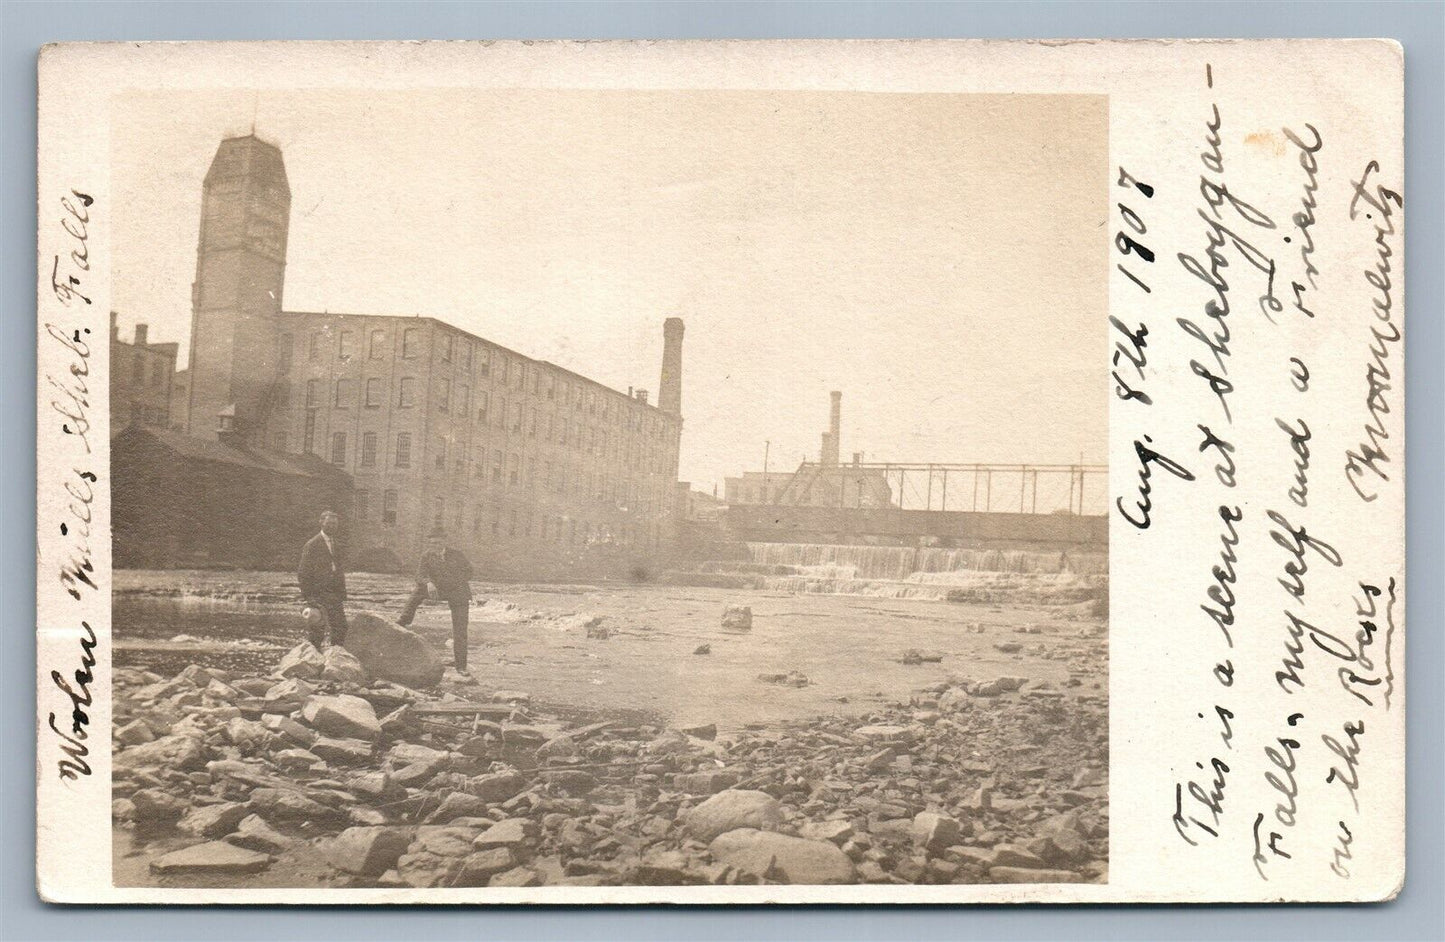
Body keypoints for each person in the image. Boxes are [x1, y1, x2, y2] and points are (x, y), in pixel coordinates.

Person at [399, 527, 474, 674]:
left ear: (445, 542)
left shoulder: (457, 555)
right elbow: (419, 576)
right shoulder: (426, 556)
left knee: (460, 630)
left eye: (438, 543)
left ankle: (461, 667)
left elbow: (469, 572)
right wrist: (428, 582)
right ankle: (404, 620)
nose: (436, 546)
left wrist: (454, 582)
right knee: (418, 590)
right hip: (439, 590)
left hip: (458, 592)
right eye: (432, 543)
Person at [298, 510, 348, 648]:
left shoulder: (336, 544)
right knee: (317, 629)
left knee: (341, 627)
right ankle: (312, 660)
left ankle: (334, 658)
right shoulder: (312, 544)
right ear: (321, 523)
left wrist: (341, 592)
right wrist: (308, 597)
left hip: (334, 593)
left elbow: (338, 570)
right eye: (329, 523)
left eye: (335, 524)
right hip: (318, 593)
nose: (332, 526)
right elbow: (303, 572)